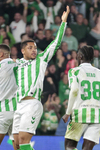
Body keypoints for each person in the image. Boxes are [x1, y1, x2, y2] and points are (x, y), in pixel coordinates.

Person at [12, 6, 69, 150]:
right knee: (16, 144)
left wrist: (63, 23)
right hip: (17, 105)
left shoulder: (41, 59)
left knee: (24, 140)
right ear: (23, 50)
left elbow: (56, 43)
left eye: (35, 48)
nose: (34, 50)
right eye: (30, 48)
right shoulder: (16, 63)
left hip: (32, 103)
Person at [62, 45, 100, 150]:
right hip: (97, 115)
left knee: (69, 146)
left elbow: (74, 91)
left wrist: (67, 113)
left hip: (80, 113)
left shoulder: (74, 71)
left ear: (80, 56)